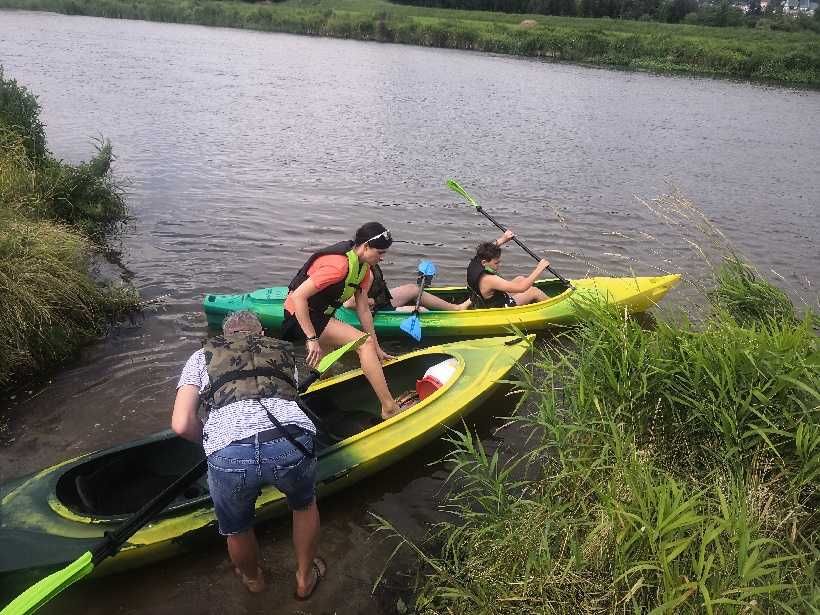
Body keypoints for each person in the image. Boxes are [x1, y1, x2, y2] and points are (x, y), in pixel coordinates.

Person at [171, 310, 326, 600]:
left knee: (236, 527)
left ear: (224, 336)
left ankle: (254, 581)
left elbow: (181, 424)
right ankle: (305, 578)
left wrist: (209, 441)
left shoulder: (200, 356)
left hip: (230, 450)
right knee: (304, 506)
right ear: (262, 335)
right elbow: (289, 396)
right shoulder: (282, 351)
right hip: (290, 440)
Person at [281, 222, 402, 420]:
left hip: (321, 313)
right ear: (365, 247)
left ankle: (314, 399)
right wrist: (311, 338)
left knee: (324, 370)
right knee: (364, 344)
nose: (381, 258)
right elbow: (298, 297)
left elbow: (363, 310)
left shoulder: (365, 271)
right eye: (380, 252)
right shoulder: (339, 266)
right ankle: (389, 408)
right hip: (300, 315)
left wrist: (378, 347)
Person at [467, 230, 551, 308]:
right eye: (496, 263)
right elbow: (522, 288)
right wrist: (539, 268)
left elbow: (489, 248)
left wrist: (503, 239)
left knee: (520, 278)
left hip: (489, 298)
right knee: (534, 291)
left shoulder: (476, 262)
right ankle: (553, 305)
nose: (499, 265)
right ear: (484, 262)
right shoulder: (489, 279)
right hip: (500, 307)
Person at [342, 263, 471, 313]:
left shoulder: (365, 263)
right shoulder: (365, 273)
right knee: (422, 311)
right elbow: (349, 303)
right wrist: (373, 302)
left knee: (413, 289)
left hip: (381, 299)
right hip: (375, 309)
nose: (382, 257)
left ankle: (456, 308)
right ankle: (455, 312)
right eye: (380, 253)